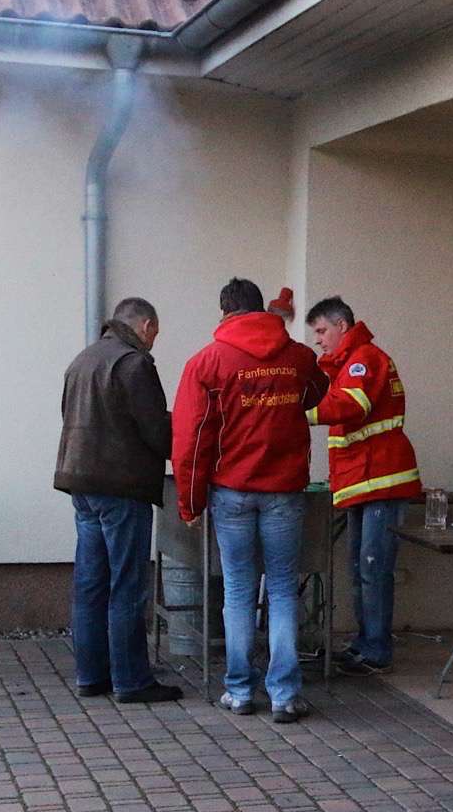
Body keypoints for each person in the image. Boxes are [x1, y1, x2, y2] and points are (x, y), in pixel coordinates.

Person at [172, 278, 326, 724]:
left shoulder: (207, 362)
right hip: (284, 492)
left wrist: (190, 502)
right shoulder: (299, 357)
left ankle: (239, 691)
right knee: (281, 589)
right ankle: (284, 695)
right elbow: (317, 392)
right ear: (261, 310)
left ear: (225, 313)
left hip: (232, 492)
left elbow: (190, 439)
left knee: (238, 591)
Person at [54, 297, 183, 704]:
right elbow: (155, 429)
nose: (154, 341)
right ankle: (131, 680)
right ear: (146, 325)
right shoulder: (133, 364)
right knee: (127, 583)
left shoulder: (83, 359)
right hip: (121, 486)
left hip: (81, 482)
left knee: (90, 583)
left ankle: (91, 675)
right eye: (155, 333)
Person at [303, 296, 423, 675]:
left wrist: (299, 412)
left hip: (380, 481)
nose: (318, 339)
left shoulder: (364, 360)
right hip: (364, 481)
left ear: (341, 326)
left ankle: (376, 649)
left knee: (372, 567)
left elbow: (350, 406)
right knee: (360, 567)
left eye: (322, 330)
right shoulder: (348, 364)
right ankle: (365, 643)